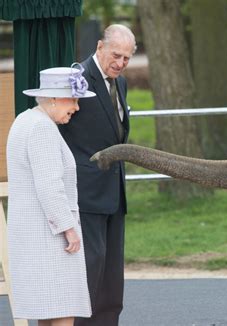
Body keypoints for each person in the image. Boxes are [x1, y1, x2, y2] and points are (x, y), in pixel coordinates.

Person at [6, 64, 96, 326]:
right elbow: (49, 185)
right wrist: (68, 228)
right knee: (63, 308)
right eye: (74, 100)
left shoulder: (25, 120)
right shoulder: (42, 128)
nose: (76, 108)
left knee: (48, 311)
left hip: (34, 236)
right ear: (54, 98)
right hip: (50, 238)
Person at [59, 24, 136, 326]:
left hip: (114, 191)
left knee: (112, 277)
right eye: (116, 55)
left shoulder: (122, 83)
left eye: (127, 58)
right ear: (100, 47)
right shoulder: (76, 78)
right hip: (85, 191)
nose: (120, 63)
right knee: (90, 270)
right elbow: (60, 127)